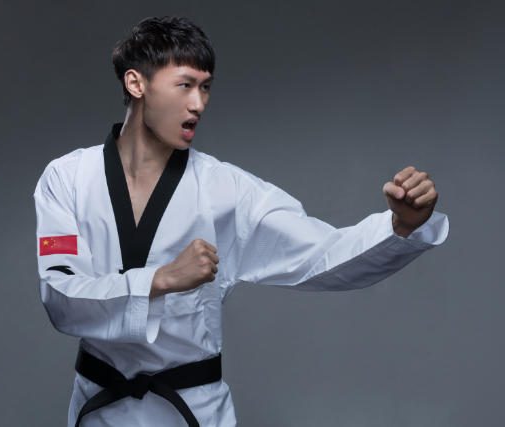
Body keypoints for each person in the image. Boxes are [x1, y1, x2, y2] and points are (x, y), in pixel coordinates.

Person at [33, 15, 449, 427]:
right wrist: (160, 279)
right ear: (136, 83)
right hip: (100, 410)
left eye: (206, 87)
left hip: (193, 411)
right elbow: (60, 295)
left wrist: (401, 227)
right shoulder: (68, 178)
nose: (199, 104)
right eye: (185, 85)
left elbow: (322, 256)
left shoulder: (226, 188)